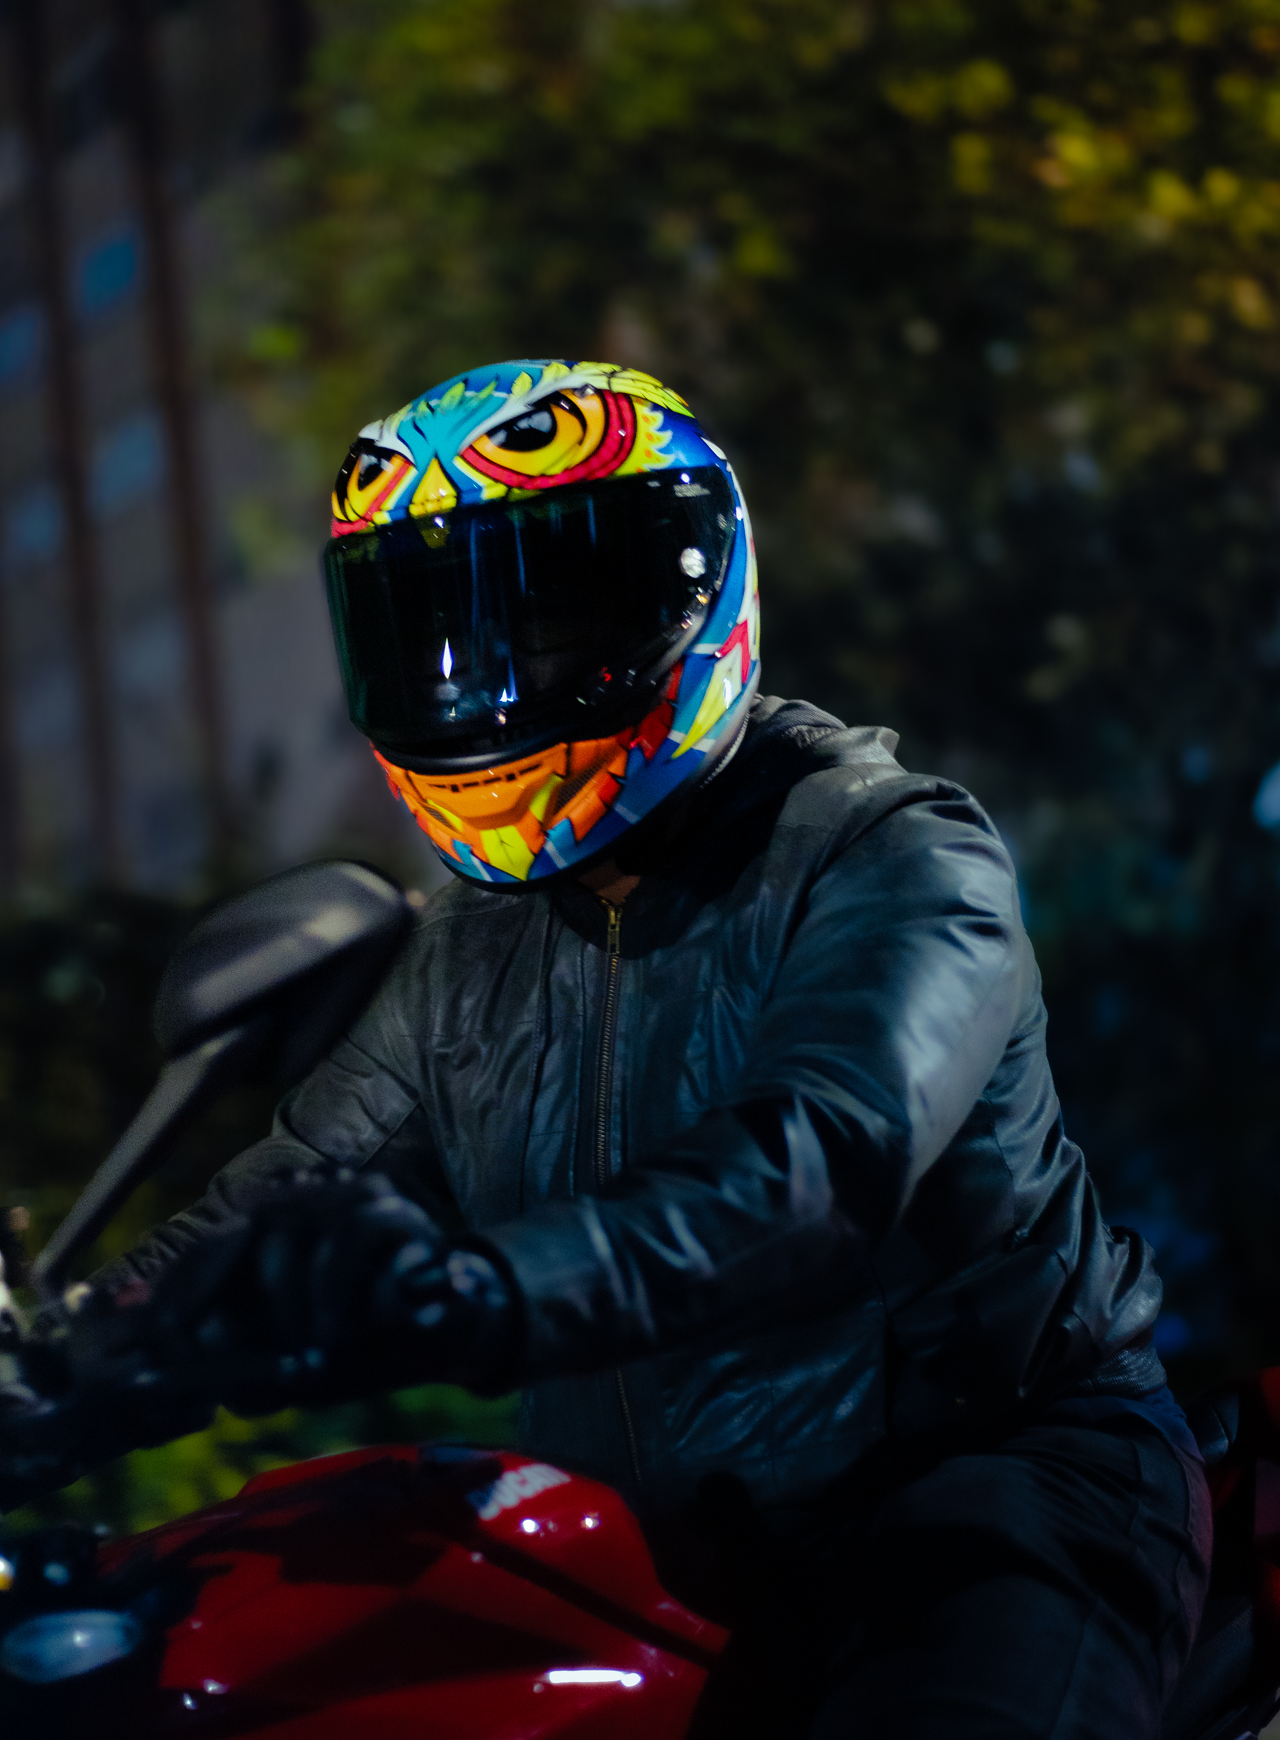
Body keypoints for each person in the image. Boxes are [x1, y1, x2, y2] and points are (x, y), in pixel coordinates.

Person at [67, 362, 1214, 1734]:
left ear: (692, 586)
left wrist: (475, 1289)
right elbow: (272, 1214)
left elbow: (819, 1163)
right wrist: (61, 1364)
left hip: (983, 1499)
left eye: (548, 616)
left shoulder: (887, 848)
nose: (491, 676)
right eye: (437, 626)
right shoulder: (465, 952)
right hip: (662, 1559)